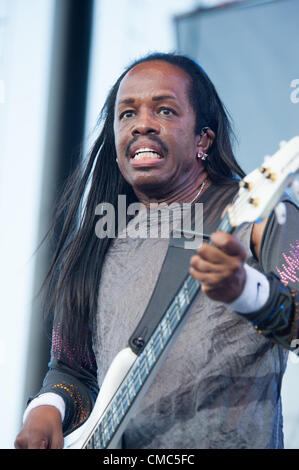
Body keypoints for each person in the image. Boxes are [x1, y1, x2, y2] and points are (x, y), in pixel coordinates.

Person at [15, 53, 298, 449]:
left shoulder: (257, 214)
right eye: (126, 114)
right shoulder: (96, 237)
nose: (142, 124)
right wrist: (47, 407)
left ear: (203, 139)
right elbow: (72, 369)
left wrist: (245, 291)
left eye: (164, 110)